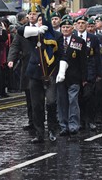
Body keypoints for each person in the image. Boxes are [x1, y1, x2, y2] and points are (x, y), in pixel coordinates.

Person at [17, 9, 63, 143]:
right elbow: (20, 31)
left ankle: (52, 130)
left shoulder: (57, 36)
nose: (40, 22)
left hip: (50, 73)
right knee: (36, 105)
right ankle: (39, 133)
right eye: (38, 20)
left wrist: (60, 72)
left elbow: (60, 55)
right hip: (35, 73)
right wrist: (36, 30)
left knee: (51, 102)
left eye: (43, 20)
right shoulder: (33, 34)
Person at [56, 19, 87, 136]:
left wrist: (84, 78)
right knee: (62, 102)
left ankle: (73, 125)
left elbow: (83, 61)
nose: (65, 29)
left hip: (74, 76)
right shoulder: (57, 40)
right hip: (59, 77)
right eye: (63, 27)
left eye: (68, 27)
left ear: (72, 28)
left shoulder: (79, 41)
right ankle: (63, 125)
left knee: (73, 101)